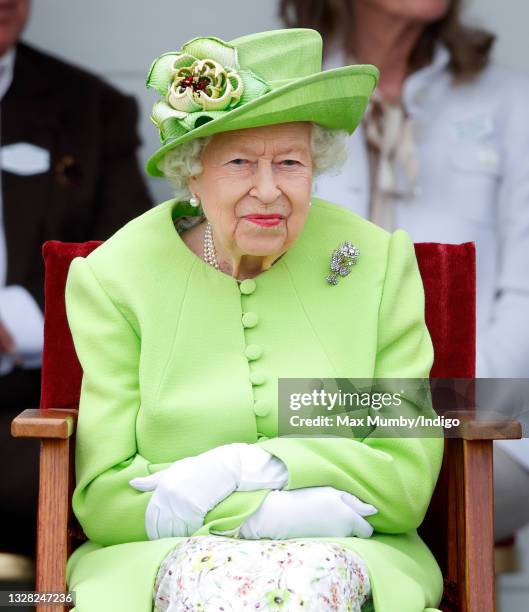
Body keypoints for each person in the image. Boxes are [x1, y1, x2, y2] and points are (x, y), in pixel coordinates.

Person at [64, 29, 444, 611]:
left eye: (289, 162)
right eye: (240, 162)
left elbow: (404, 482)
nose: (268, 191)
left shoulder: (377, 264)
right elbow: (108, 501)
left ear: (315, 166)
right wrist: (277, 512)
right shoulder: (115, 277)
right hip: (158, 560)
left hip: (351, 557)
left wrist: (250, 466)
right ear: (193, 172)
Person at [280, 0, 529, 542]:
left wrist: (430, 407)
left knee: (336, 509)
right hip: (301, 414)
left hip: (479, 424)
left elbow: (525, 296)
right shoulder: (281, 90)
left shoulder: (512, 101)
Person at [0, 0, 152, 562]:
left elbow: (127, 255)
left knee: (116, 492)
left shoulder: (89, 106)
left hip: (36, 401)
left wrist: (16, 319)